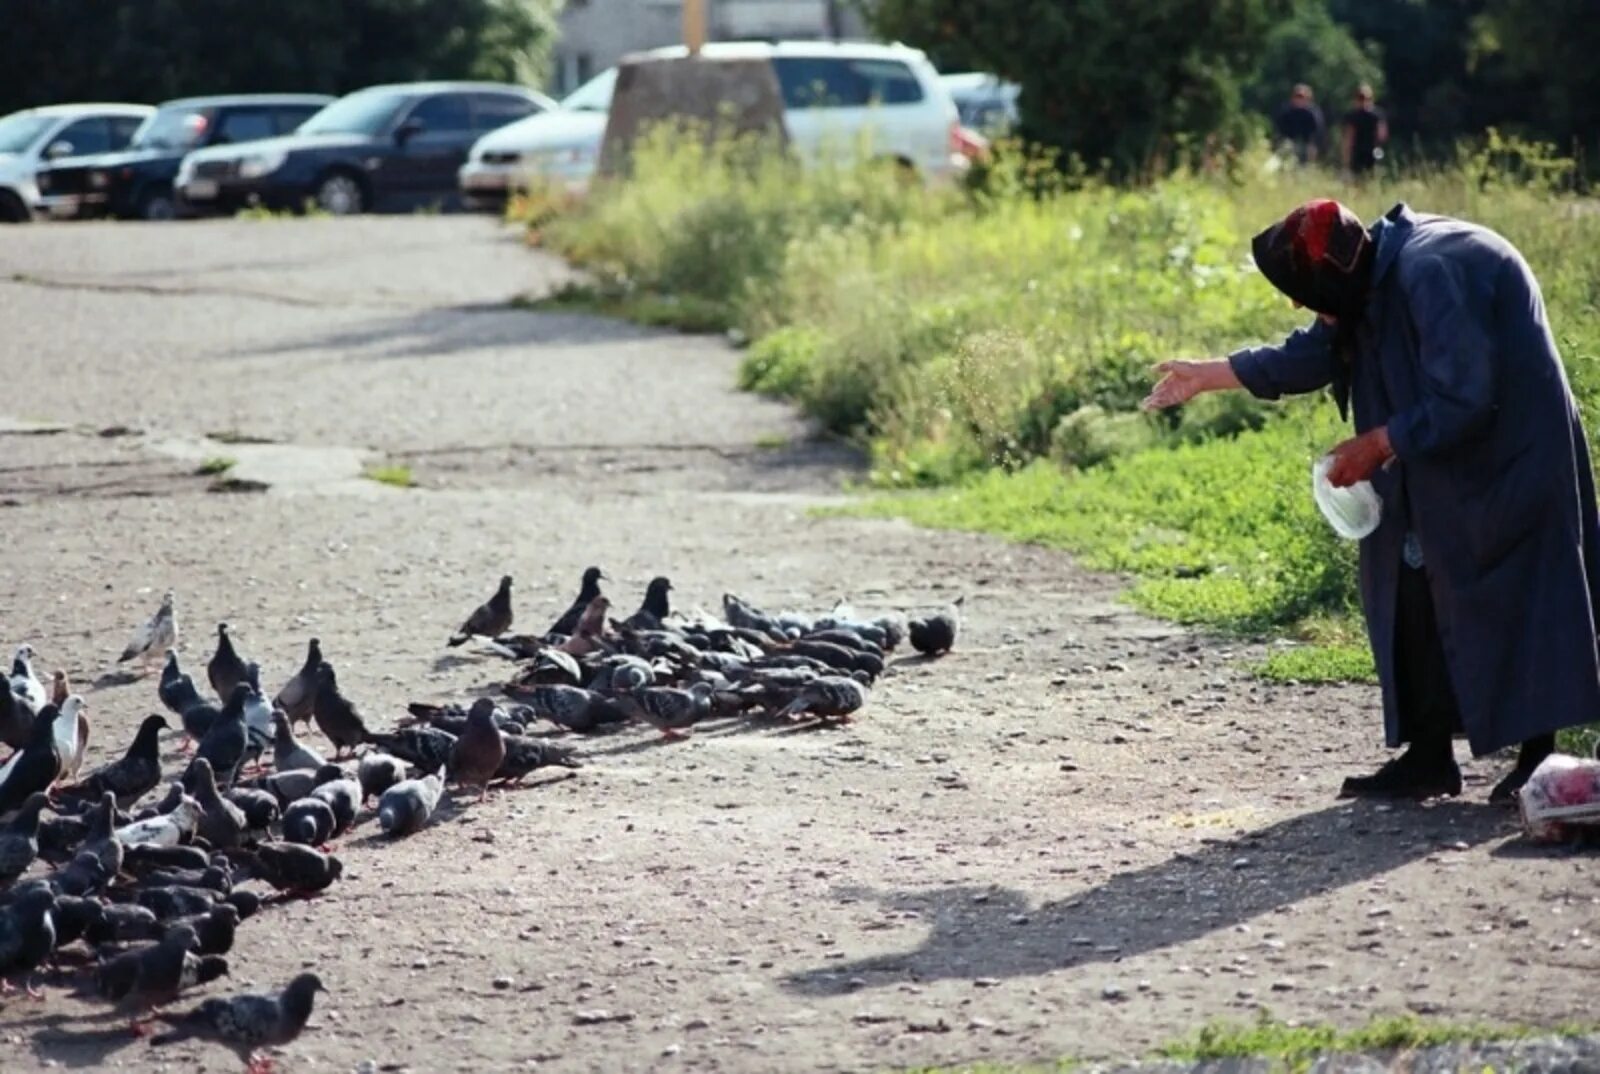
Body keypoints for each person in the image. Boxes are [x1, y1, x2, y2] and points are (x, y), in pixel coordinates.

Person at [1143, 200, 1600, 803]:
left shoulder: (1431, 270)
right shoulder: (1365, 271)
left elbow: (1467, 394)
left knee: (1519, 585)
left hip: (1511, 448)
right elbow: (1312, 353)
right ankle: (1429, 756)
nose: (1301, 307)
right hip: (1436, 443)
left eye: (1306, 295)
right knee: (1408, 578)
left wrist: (1381, 441)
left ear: (1335, 278)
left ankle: (1539, 757)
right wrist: (1209, 374)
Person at [1341, 84, 1387, 177]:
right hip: (1370, 153)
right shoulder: (1377, 115)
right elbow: (1382, 136)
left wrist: (1345, 160)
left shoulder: (1353, 116)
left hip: (1360, 154)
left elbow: (1348, 139)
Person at [1273, 83, 1325, 165]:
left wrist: (1314, 148)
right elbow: (1279, 130)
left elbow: (1317, 133)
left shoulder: (1313, 114)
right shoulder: (1286, 111)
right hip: (1288, 144)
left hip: (1306, 145)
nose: (1299, 99)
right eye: (1297, 97)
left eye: (1302, 97)